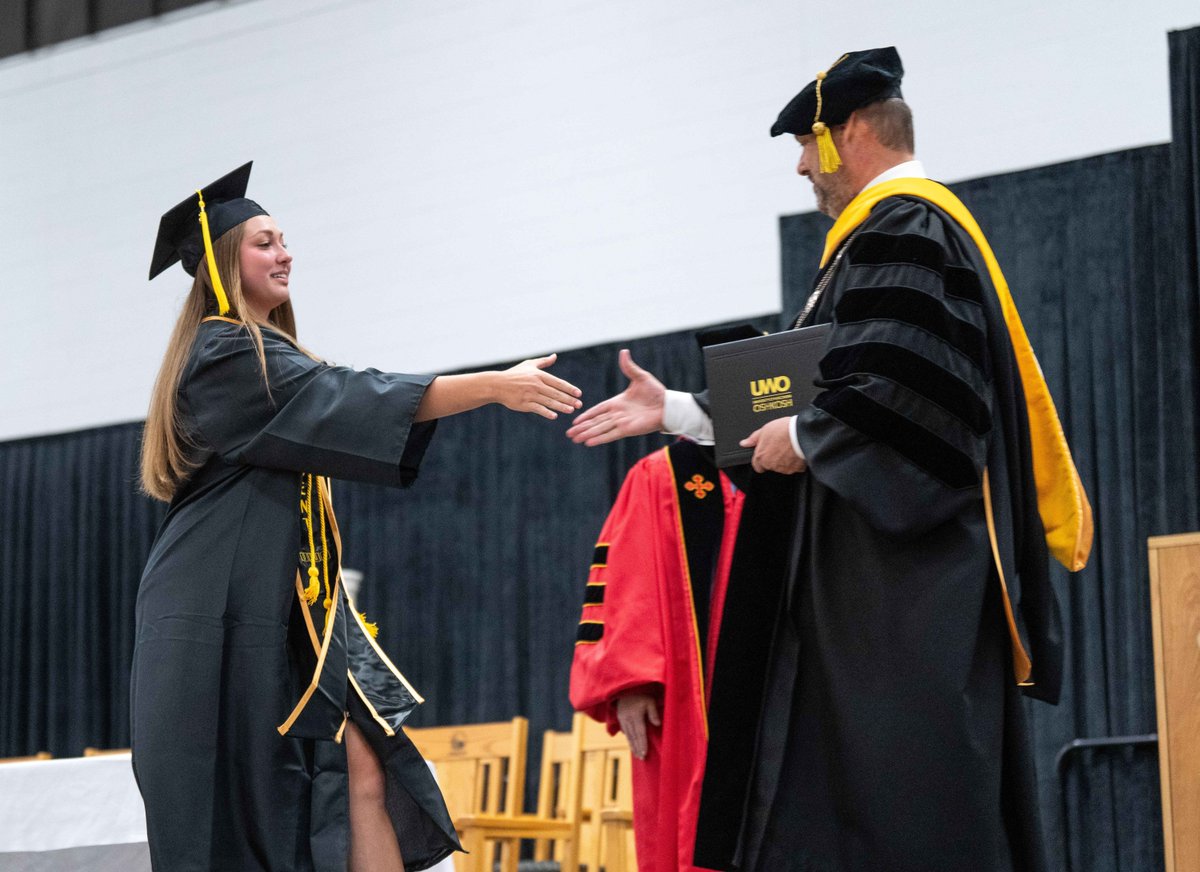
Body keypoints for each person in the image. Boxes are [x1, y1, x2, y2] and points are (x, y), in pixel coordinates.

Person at [567, 48, 1092, 872]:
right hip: (872, 592)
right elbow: (824, 385)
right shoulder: (871, 243)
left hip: (905, 594)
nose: (804, 169)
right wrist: (673, 410)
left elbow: (908, 392)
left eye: (807, 147)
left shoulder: (908, 226)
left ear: (849, 132)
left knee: (907, 807)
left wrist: (811, 438)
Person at [132, 162, 582, 872]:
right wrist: (492, 385)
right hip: (216, 615)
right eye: (263, 242)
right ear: (222, 264)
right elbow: (350, 397)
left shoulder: (265, 351)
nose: (285, 253)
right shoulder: (223, 353)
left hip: (286, 617)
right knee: (244, 811)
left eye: (284, 239)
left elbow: (336, 398)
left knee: (368, 769)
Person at [569, 438, 743, 872]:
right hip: (687, 700)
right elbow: (625, 581)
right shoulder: (664, 474)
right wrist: (631, 680)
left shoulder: (809, 457)